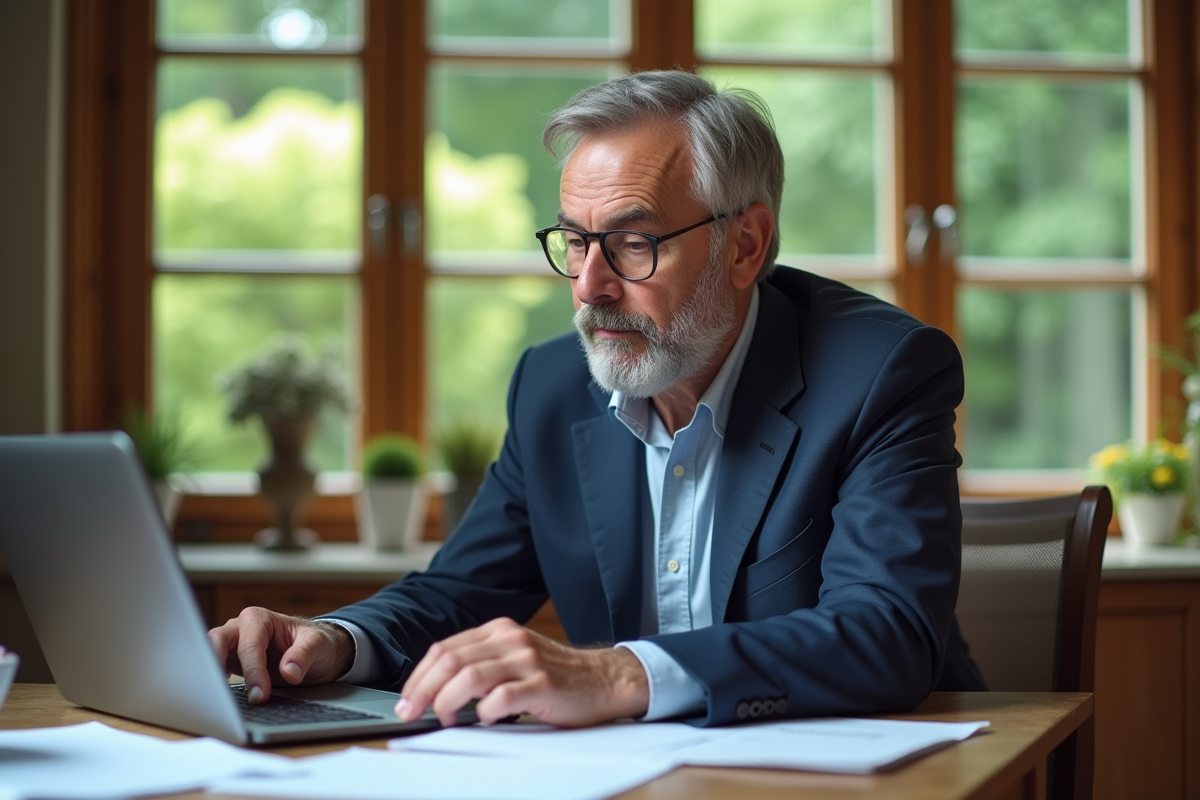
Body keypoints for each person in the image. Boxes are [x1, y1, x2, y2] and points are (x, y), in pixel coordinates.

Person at [209, 70, 984, 730]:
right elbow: (459, 591)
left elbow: (887, 633)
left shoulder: (879, 371)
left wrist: (616, 674)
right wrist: (333, 639)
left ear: (745, 245)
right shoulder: (552, 388)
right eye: (575, 241)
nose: (589, 287)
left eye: (633, 243)